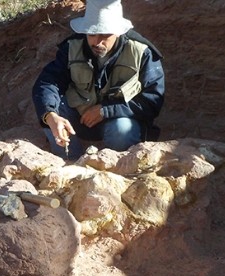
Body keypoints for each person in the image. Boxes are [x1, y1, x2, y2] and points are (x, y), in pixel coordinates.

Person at [32, 0, 165, 160]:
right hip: (80, 118)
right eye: (92, 34)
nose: (97, 42)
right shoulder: (72, 47)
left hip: (119, 123)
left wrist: (106, 111)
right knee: (50, 110)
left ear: (118, 32)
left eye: (105, 35)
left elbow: (152, 100)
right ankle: (68, 162)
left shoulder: (142, 53)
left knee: (122, 129)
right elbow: (48, 82)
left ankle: (118, 167)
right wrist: (50, 116)